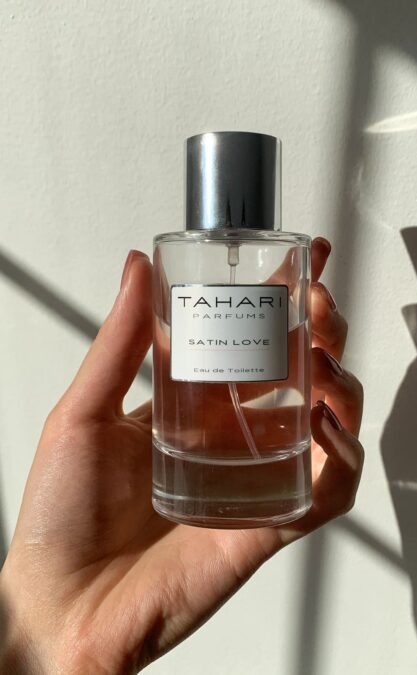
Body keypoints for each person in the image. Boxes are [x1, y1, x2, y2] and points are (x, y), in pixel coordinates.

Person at [0, 238, 364, 674]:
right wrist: (41, 633)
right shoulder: (174, 251)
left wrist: (44, 640)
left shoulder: (261, 251)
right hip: (172, 484)